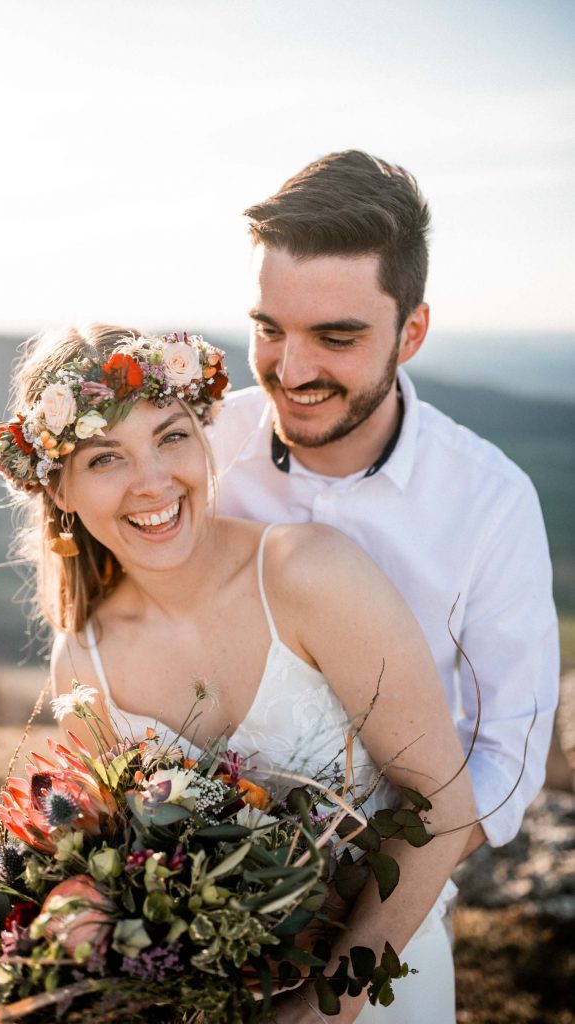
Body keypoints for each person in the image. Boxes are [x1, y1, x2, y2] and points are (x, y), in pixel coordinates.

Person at [0, 323, 475, 1023]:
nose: (152, 481)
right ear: (58, 489)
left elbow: (445, 803)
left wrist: (321, 1007)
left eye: (171, 436)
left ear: (204, 436)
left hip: (378, 985)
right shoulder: (82, 661)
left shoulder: (307, 573)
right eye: (104, 459)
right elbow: (122, 871)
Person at [209, 150, 559, 867]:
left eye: (336, 338)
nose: (292, 370)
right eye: (270, 329)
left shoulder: (491, 503)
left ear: (412, 333)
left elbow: (506, 753)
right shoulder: (199, 449)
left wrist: (375, 902)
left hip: (392, 891)